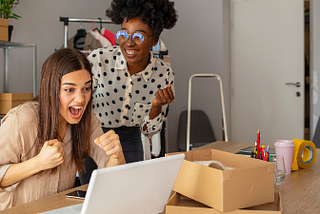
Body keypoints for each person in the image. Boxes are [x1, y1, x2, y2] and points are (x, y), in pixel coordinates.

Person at [0, 48, 126, 210]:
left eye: (86, 88)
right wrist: (38, 163)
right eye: (69, 89)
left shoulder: (87, 121)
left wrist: (117, 155)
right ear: (51, 89)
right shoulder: (22, 119)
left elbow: (114, 178)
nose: (80, 98)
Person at [80, 0, 178, 184]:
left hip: (131, 140)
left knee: (129, 191)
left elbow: (150, 131)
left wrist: (156, 107)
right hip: (95, 138)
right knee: (90, 194)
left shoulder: (163, 75)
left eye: (138, 37)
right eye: (123, 34)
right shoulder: (98, 61)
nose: (129, 43)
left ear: (154, 40)